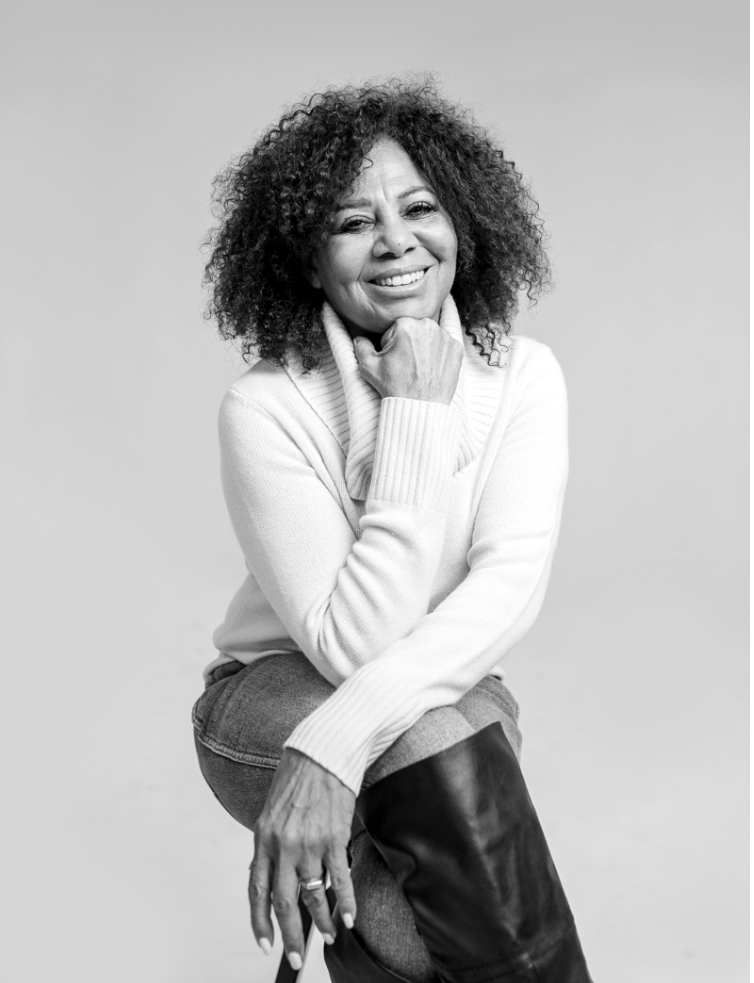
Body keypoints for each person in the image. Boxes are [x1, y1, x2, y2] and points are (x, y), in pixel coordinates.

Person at [192, 78, 593, 983]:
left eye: (420, 207)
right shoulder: (268, 406)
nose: (396, 240)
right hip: (272, 695)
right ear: (304, 257)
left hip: (438, 696)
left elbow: (507, 588)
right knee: (437, 756)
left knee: (426, 935)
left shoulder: (523, 377)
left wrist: (337, 750)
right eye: (351, 222)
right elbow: (354, 637)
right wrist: (414, 409)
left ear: (465, 225)